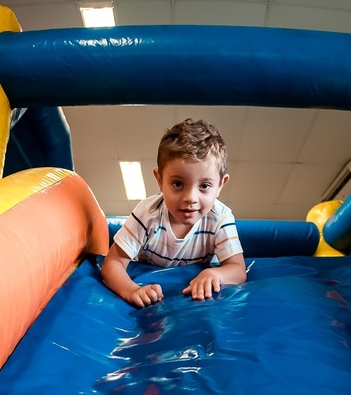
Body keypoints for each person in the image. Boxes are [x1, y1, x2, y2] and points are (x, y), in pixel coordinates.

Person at [101, 118, 247, 308]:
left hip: (189, 301)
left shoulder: (219, 217)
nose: (190, 198)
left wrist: (214, 274)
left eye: (204, 186)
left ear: (220, 185)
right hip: (154, 291)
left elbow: (238, 269)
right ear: (159, 180)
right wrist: (131, 290)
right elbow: (112, 264)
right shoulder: (147, 214)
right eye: (178, 184)